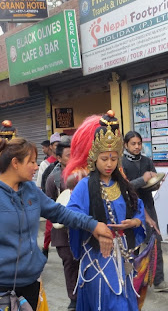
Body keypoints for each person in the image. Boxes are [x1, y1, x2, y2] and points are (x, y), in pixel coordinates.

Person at [0, 137, 114, 311]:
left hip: (30, 283)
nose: (36, 166)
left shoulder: (30, 190)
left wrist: (92, 224)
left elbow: (59, 212)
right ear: (15, 163)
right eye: (31, 162)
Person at [66, 110, 146, 311]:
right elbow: (71, 214)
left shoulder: (124, 185)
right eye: (104, 158)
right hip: (97, 257)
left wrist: (135, 222)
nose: (109, 164)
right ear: (94, 158)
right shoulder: (84, 186)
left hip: (122, 254)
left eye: (113, 158)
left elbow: (139, 209)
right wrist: (94, 228)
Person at [122, 130, 168, 292]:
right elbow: (125, 188)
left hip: (148, 207)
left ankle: (158, 281)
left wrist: (156, 182)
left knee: (155, 242)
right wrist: (143, 179)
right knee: (133, 246)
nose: (137, 147)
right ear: (126, 145)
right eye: (133, 144)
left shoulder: (147, 161)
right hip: (130, 210)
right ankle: (131, 281)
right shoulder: (121, 163)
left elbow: (153, 184)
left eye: (139, 143)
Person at [44, 142, 79, 310]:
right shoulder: (53, 178)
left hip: (81, 229)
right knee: (70, 264)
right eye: (68, 155)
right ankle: (73, 299)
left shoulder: (82, 174)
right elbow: (48, 205)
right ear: (58, 158)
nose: (72, 158)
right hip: (62, 233)